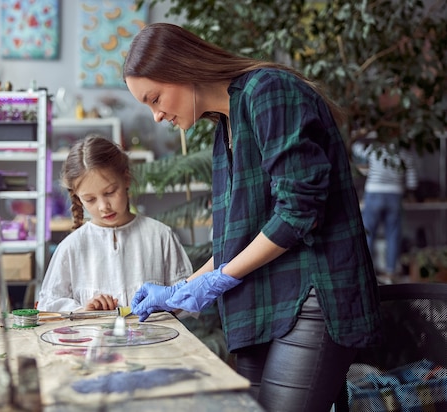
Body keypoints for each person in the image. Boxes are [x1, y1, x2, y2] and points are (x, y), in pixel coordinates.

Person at [123, 23, 382, 412]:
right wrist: (178, 290)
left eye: (154, 98)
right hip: (263, 303)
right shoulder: (225, 126)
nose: (157, 116)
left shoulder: (268, 91)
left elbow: (299, 210)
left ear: (183, 68)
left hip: (312, 296)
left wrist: (220, 278)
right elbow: (237, 238)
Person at [36, 134, 192, 312]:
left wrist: (166, 303)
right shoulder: (72, 247)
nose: (103, 207)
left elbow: (188, 298)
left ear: (126, 179)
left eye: (110, 192)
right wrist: (83, 311)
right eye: (90, 199)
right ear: (78, 198)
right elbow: (48, 306)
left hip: (155, 339)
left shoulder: (160, 236)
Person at [352, 140, 418, 283]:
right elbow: (412, 176)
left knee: (368, 233)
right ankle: (391, 272)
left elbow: (356, 148)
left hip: (374, 192)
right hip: (395, 194)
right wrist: (411, 192)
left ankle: (366, 270)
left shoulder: (374, 149)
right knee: (393, 235)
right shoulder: (403, 152)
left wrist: (363, 136)